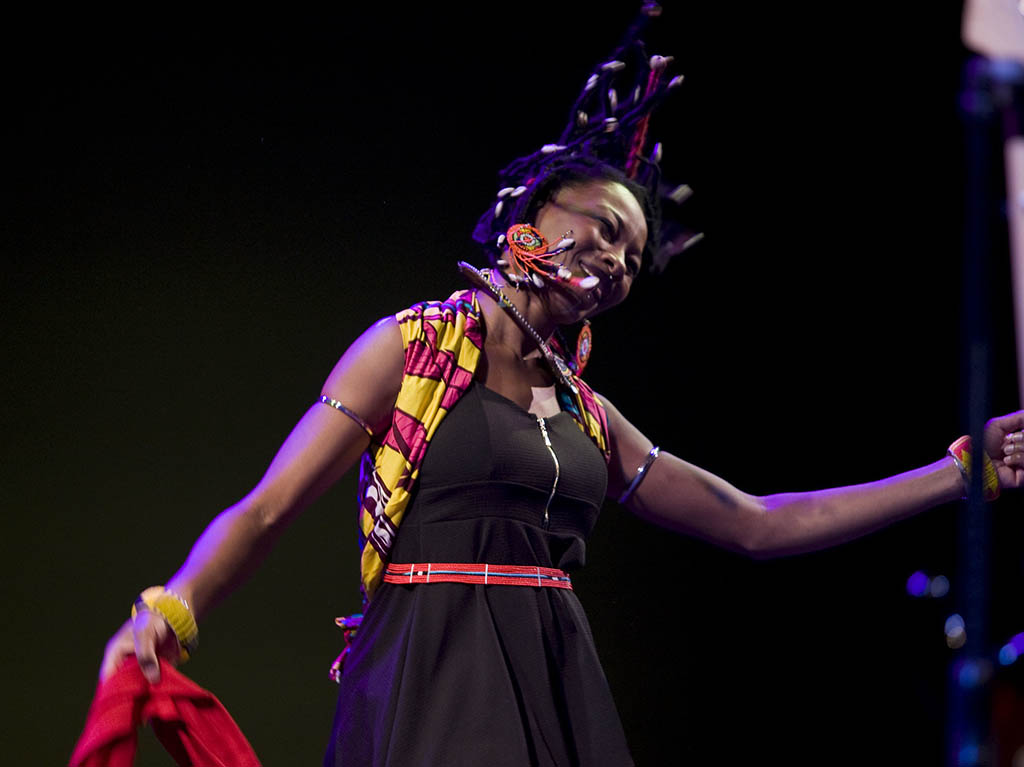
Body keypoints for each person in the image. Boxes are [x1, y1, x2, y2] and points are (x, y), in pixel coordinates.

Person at [98, 12, 1024, 767]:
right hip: (428, 671)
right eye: (603, 227)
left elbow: (755, 521)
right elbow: (267, 509)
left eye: (632, 254)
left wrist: (958, 473)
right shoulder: (409, 348)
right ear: (529, 219)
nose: (618, 258)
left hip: (553, 678)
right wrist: (168, 610)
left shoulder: (588, 415)